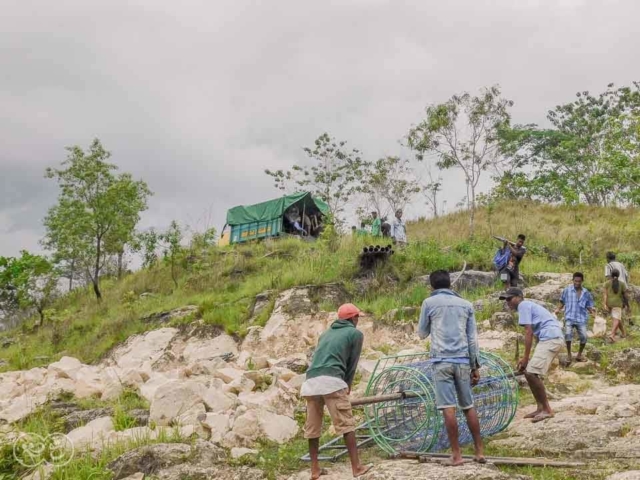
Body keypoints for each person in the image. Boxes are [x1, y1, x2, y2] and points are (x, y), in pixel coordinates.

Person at [418, 270, 485, 466]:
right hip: (463, 361)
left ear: (432, 286)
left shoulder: (429, 303)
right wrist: (475, 366)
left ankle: (456, 455)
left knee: (448, 408)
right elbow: (473, 339)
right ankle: (479, 451)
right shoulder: (466, 304)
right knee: (468, 405)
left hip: (442, 362)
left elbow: (422, 333)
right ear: (450, 284)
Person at [301, 303, 372, 479]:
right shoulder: (355, 334)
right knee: (346, 424)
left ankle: (315, 469)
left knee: (313, 428)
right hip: (332, 380)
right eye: (357, 318)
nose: (358, 321)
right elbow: (351, 364)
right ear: (352, 318)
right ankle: (357, 468)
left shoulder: (325, 334)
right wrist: (347, 385)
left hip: (310, 382)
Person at [500, 287, 564, 423]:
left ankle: (547, 409)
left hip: (551, 338)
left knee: (531, 373)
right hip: (551, 338)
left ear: (519, 297)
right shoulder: (528, 306)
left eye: (509, 299)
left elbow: (528, 332)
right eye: (506, 300)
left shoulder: (523, 305)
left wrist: (525, 358)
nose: (508, 302)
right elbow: (535, 334)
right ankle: (540, 407)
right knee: (529, 373)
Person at [555, 272, 596, 364]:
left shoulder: (586, 293)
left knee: (584, 337)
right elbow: (562, 301)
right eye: (575, 281)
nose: (577, 283)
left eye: (579, 281)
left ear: (582, 281)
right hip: (569, 316)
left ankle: (579, 354)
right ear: (573, 280)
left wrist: (592, 312)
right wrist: (558, 309)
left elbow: (588, 305)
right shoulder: (567, 290)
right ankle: (569, 354)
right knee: (568, 335)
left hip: (581, 318)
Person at [604, 269, 628, 343]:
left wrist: (604, 304)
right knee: (616, 319)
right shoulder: (622, 284)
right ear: (619, 275)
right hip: (617, 304)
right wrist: (627, 305)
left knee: (617, 318)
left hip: (609, 303)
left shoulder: (607, 283)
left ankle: (623, 333)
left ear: (611, 275)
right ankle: (612, 335)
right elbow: (625, 295)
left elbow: (605, 294)